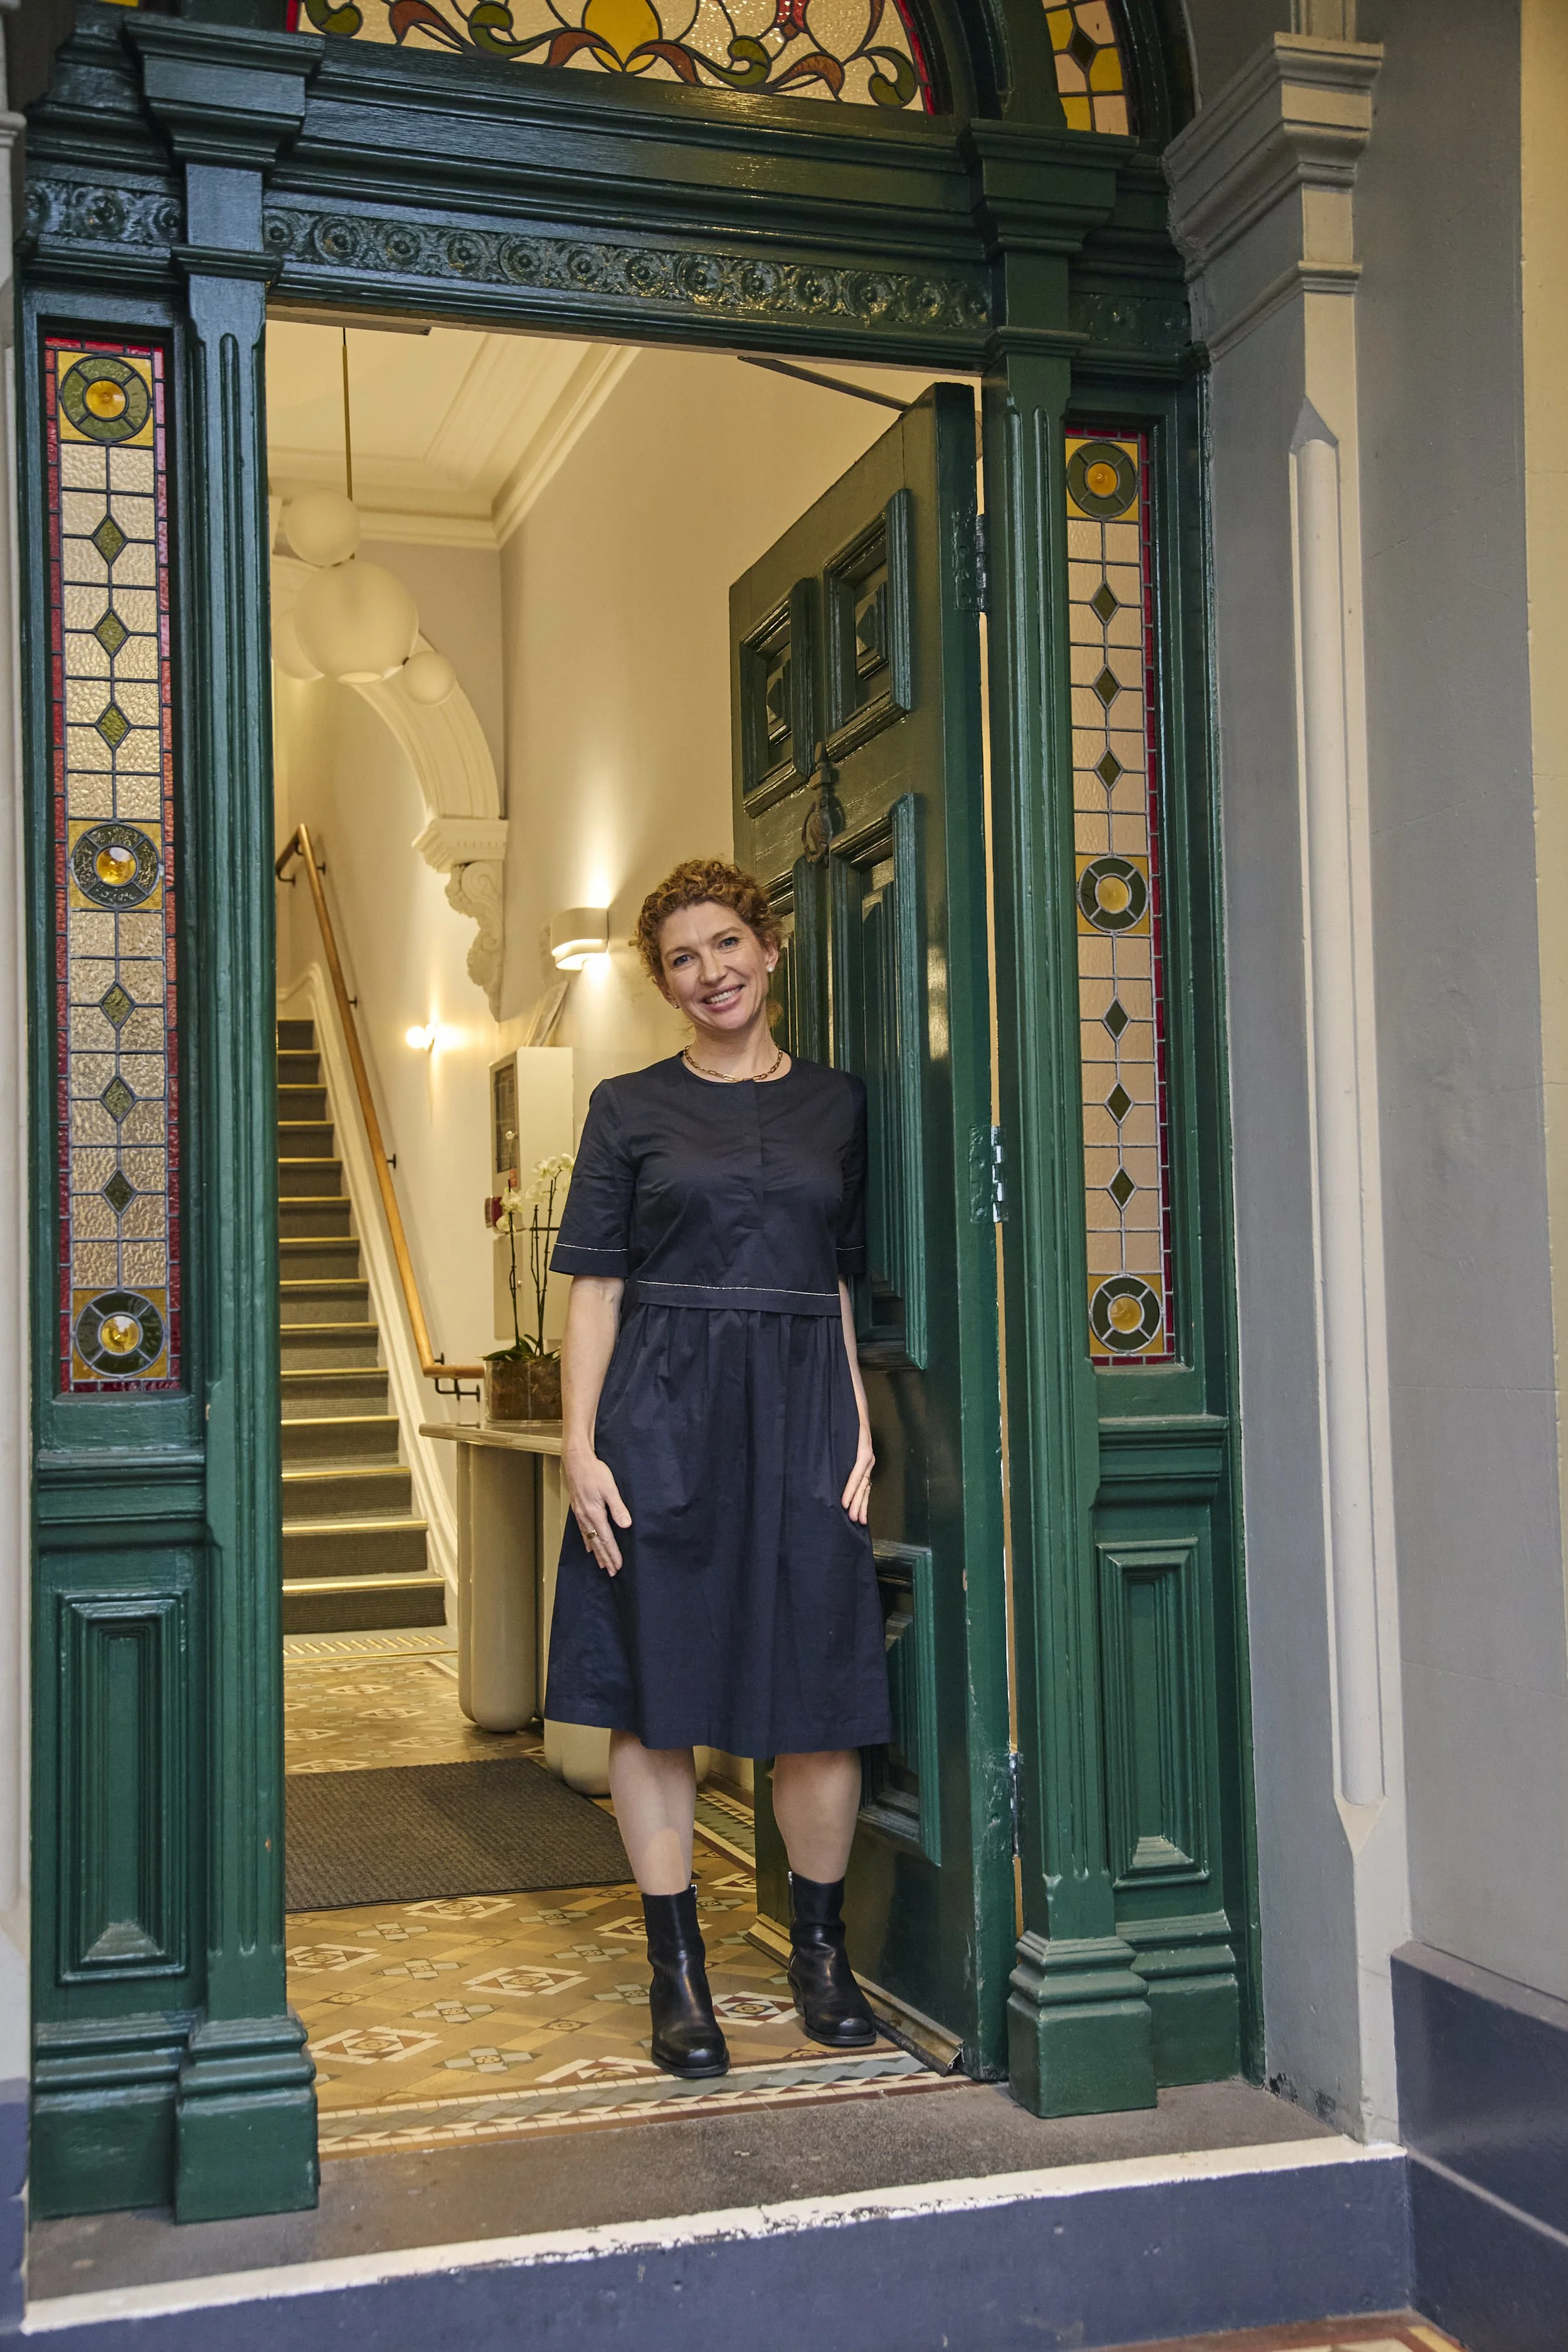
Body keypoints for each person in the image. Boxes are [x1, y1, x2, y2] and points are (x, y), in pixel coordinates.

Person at [544, 856, 891, 2080]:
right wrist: (580, 1446)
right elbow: (595, 1289)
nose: (710, 972)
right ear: (665, 985)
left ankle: (819, 1956)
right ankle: (677, 1969)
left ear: (769, 947)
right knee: (660, 1697)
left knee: (820, 1694)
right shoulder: (626, 1108)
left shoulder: (838, 1104)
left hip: (802, 1412)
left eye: (726, 944)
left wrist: (856, 1419)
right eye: (682, 959)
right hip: (661, 1414)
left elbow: (834, 1279)